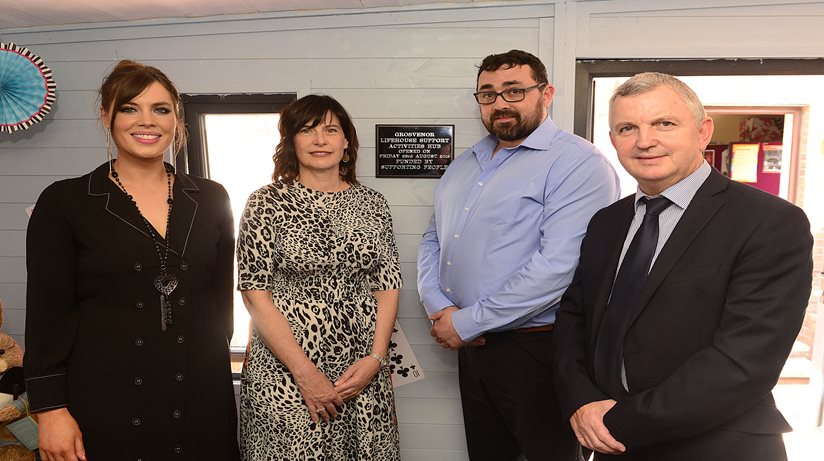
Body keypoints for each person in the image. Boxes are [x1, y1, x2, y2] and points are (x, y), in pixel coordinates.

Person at [552, 72, 813, 461]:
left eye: (664, 123)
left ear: (703, 131)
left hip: (718, 445)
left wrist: (619, 420)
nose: (644, 141)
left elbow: (744, 361)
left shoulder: (769, 222)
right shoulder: (606, 222)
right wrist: (582, 402)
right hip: (610, 443)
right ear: (613, 141)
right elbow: (574, 319)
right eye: (627, 128)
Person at [24, 60, 240, 461]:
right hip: (105, 398)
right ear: (106, 115)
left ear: (177, 118)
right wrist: (51, 410)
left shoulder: (212, 197)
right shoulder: (65, 201)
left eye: (161, 109)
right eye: (129, 108)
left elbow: (218, 302)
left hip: (199, 395)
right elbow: (47, 315)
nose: (147, 121)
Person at [417, 49, 620, 461]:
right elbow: (433, 239)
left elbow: (559, 267)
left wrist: (467, 322)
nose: (500, 103)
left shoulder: (577, 163)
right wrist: (441, 308)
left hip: (537, 349)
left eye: (514, 91)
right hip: (472, 345)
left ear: (546, 93)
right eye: (488, 94)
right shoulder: (464, 164)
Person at [237, 94, 402, 461]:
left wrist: (375, 359)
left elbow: (388, 283)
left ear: (346, 142)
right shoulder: (266, 202)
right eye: (307, 130)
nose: (320, 140)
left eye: (330, 130)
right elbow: (253, 292)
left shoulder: (373, 203)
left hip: (359, 365)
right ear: (291, 141)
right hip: (285, 364)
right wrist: (305, 372)